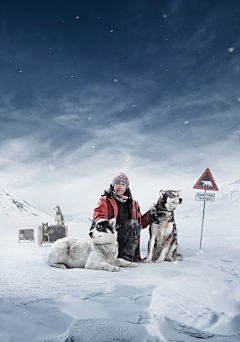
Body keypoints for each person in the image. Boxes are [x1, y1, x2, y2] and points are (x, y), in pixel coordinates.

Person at [93, 172, 154, 262]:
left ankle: (126, 259)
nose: (120, 187)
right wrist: (114, 228)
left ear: (126, 187)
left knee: (133, 224)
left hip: (126, 238)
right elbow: (100, 220)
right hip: (111, 237)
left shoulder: (133, 204)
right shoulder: (105, 200)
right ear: (113, 185)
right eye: (117, 184)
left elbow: (139, 224)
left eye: (123, 184)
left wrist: (150, 215)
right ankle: (110, 255)